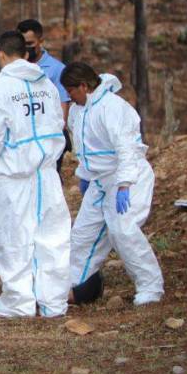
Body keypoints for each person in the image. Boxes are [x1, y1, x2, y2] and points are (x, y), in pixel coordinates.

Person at [0, 31, 70, 318]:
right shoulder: (46, 84)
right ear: (26, 53)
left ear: (0, 54)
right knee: (52, 238)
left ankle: (19, 302)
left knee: (14, 238)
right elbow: (58, 122)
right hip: (46, 172)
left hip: (14, 173)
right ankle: (53, 302)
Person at [61, 63, 164, 306]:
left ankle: (151, 286)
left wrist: (125, 183)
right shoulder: (78, 111)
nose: (69, 97)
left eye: (71, 91)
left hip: (127, 176)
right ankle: (72, 282)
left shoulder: (113, 108)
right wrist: (85, 176)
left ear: (84, 86)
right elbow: (83, 149)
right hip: (100, 180)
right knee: (83, 233)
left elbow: (126, 148)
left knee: (123, 230)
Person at [17, 19, 71, 175]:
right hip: (23, 138)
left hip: (48, 137)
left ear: (41, 41)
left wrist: (56, 133)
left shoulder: (56, 69)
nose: (27, 48)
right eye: (23, 44)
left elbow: (63, 105)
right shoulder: (15, 69)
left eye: (30, 43)